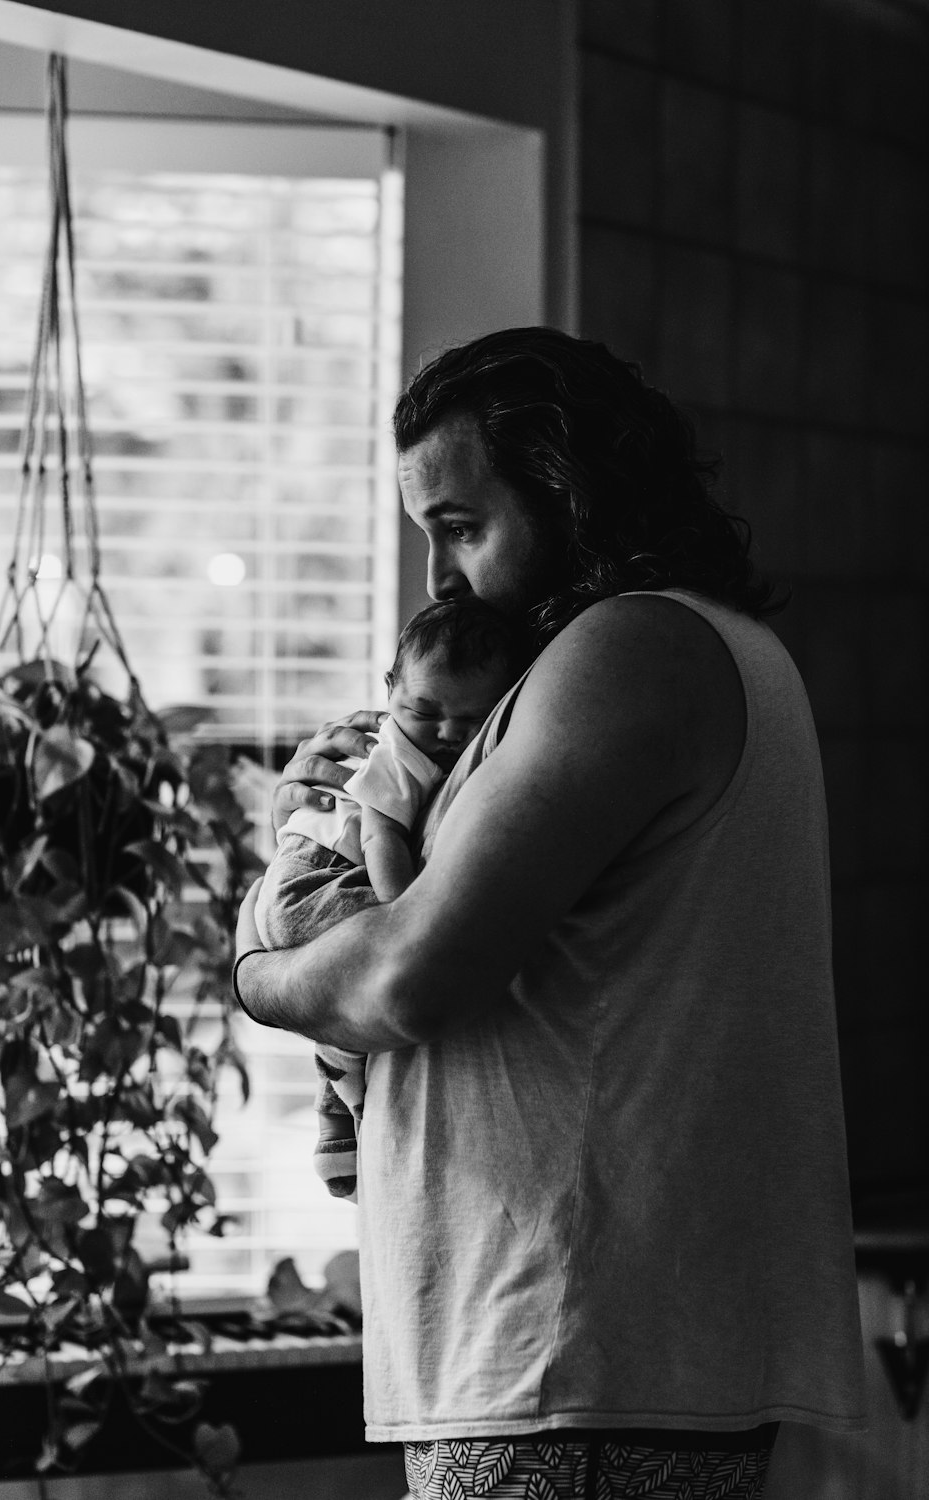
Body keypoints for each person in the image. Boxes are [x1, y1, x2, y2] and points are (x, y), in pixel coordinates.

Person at [232, 329, 866, 1499]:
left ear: (569, 495)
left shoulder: (630, 649)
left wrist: (258, 965)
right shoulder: (683, 649)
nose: (436, 578)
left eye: (461, 527)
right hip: (577, 1354)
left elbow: (402, 980)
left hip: (569, 1360)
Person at [253, 597, 532, 1201]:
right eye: (423, 711)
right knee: (367, 978)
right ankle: (346, 1095)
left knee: (346, 995)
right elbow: (380, 837)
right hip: (315, 885)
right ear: (390, 691)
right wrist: (406, 914)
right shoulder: (394, 752)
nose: (448, 733)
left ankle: (338, 1122)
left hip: (297, 884)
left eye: (473, 718)